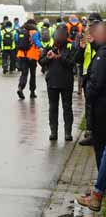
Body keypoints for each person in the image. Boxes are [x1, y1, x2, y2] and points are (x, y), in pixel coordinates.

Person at [76, 22, 106, 212]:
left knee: (103, 151)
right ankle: (98, 190)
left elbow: (96, 83)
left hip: (102, 110)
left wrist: (88, 88)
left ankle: (97, 194)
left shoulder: (102, 55)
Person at [39, 26, 77, 141]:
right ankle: (53, 132)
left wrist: (59, 57)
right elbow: (41, 62)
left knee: (67, 107)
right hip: (52, 83)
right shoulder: (49, 47)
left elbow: (71, 63)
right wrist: (48, 57)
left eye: (61, 35)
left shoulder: (70, 47)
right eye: (57, 36)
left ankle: (67, 133)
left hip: (66, 83)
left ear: (66, 37)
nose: (58, 38)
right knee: (53, 108)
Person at [76, 13, 103, 146]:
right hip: (87, 75)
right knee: (89, 105)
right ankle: (90, 131)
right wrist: (81, 48)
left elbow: (99, 52)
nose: (90, 26)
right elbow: (77, 59)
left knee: (97, 104)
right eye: (89, 24)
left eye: (93, 24)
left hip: (98, 75)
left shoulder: (100, 39)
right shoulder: (84, 38)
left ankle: (96, 132)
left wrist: (93, 43)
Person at [16, 19, 42, 99]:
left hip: (22, 55)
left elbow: (17, 40)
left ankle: (20, 88)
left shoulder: (21, 30)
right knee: (32, 74)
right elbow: (36, 41)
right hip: (32, 56)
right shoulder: (34, 31)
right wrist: (40, 47)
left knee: (24, 73)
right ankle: (32, 92)